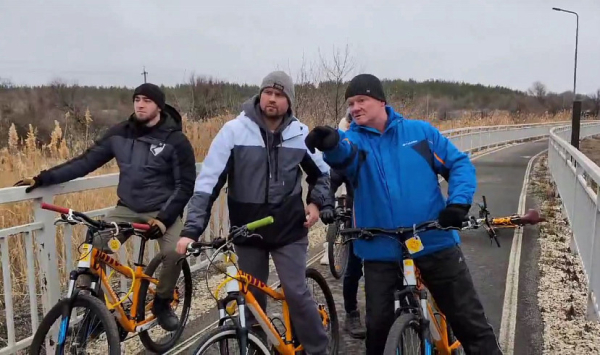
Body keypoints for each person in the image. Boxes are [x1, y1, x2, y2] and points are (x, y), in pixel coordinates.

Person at [304, 73, 503, 354]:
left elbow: (459, 165)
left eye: (361, 100)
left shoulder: (420, 133)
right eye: (351, 103)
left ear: (381, 100)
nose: (355, 107)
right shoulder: (355, 142)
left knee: (469, 322)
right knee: (379, 332)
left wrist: (457, 204)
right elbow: (344, 155)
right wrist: (332, 142)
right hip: (380, 249)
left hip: (434, 239)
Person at [14, 83, 197, 332]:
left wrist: (164, 219)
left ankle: (163, 302)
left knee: (175, 253)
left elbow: (185, 185)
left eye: (147, 100)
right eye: (137, 99)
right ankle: (94, 308)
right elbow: (85, 161)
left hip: (163, 211)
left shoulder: (176, 141)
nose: (140, 104)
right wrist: (42, 178)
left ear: (159, 106)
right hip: (128, 208)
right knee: (92, 247)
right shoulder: (120, 133)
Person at [176, 71, 330, 354]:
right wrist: (191, 231)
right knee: (252, 300)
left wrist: (316, 203)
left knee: (295, 292)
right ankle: (258, 347)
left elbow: (322, 175)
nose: (272, 98)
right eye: (268, 92)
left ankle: (320, 348)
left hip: (289, 230)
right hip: (248, 232)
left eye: (280, 94)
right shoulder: (234, 131)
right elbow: (208, 183)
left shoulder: (300, 134)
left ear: (289, 101)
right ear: (260, 95)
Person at [319, 110, 366, 340]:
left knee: (393, 268)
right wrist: (327, 204)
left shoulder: (389, 144)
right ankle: (351, 313)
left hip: (388, 220)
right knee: (354, 269)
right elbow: (330, 181)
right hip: (358, 218)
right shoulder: (351, 149)